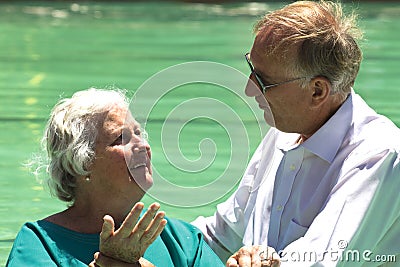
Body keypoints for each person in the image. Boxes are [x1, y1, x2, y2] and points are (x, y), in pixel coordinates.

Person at [192, 1, 400, 266]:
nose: (249, 88)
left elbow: (319, 262)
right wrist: (143, 239)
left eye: (264, 80)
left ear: (317, 91)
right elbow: (221, 238)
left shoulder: (380, 156)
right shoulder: (284, 132)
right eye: (251, 69)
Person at [6, 88, 224, 267]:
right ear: (81, 163)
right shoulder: (39, 244)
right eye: (121, 139)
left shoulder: (182, 241)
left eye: (139, 133)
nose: (143, 146)